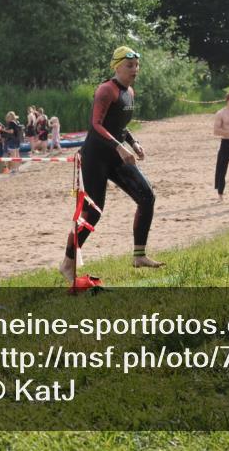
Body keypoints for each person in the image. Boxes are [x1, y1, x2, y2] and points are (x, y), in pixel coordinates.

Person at [59, 46, 162, 286]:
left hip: (116, 154)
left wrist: (133, 143)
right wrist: (118, 146)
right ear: (117, 66)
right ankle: (67, 262)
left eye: (137, 66)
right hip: (95, 157)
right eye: (130, 66)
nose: (135, 70)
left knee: (147, 196)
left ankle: (139, 256)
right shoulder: (106, 90)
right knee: (93, 213)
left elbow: (118, 125)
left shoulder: (130, 92)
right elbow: (95, 125)